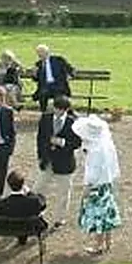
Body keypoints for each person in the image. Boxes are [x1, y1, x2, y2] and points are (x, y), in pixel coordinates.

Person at [72, 113, 121, 255]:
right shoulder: (103, 144)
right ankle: (108, 242)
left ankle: (98, 245)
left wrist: (86, 189)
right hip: (106, 185)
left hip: (96, 187)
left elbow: (92, 173)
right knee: (106, 214)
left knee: (98, 217)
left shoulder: (95, 150)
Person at [35, 95, 82, 225]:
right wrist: (40, 156)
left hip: (65, 163)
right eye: (56, 108)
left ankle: (59, 218)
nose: (58, 112)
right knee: (38, 189)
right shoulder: (45, 119)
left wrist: (62, 142)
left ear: (66, 110)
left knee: (63, 192)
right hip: (48, 161)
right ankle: (37, 214)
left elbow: (77, 143)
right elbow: (40, 139)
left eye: (61, 109)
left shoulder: (72, 123)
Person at [0, 171, 50, 245]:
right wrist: (29, 193)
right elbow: (43, 203)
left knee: (19, 216)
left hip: (8, 227)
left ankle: (21, 239)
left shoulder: (2, 203)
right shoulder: (33, 202)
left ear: (9, 186)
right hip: (28, 226)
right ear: (23, 184)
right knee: (25, 216)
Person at [31, 43, 73, 111]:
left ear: (46, 52)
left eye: (41, 52)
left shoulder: (58, 60)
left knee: (59, 98)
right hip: (46, 87)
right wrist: (34, 74)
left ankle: (66, 113)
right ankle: (44, 114)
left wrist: (70, 76)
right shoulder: (38, 64)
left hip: (58, 86)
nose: (39, 55)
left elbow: (71, 69)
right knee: (42, 95)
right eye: (38, 53)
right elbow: (36, 79)